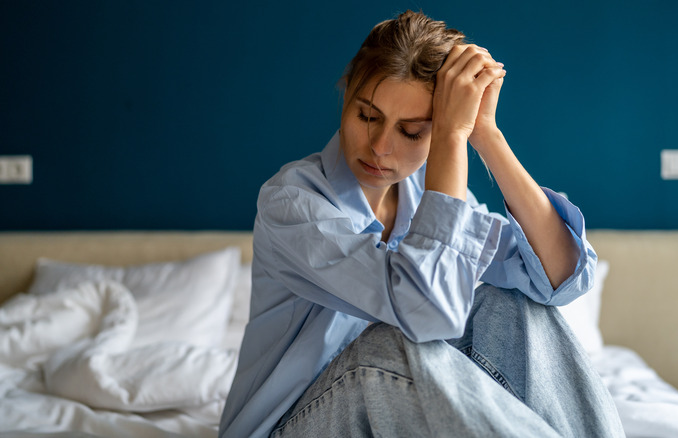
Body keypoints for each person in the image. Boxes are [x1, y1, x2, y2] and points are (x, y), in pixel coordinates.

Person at [220, 10, 624, 438]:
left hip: (384, 416)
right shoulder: (293, 203)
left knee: (509, 304)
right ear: (346, 95)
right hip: (286, 427)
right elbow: (427, 313)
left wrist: (483, 132)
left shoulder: (431, 203)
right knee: (389, 345)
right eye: (368, 117)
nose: (379, 146)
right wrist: (449, 139)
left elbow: (558, 277)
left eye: (411, 131)